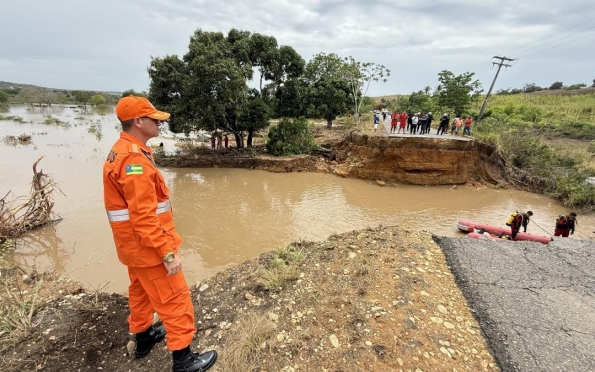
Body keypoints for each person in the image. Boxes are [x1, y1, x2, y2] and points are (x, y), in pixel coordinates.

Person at [103, 96, 217, 372]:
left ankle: (143, 339)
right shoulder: (134, 160)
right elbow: (144, 216)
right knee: (174, 299)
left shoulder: (125, 149)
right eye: (154, 119)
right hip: (149, 248)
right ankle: (184, 360)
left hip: (133, 247)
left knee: (140, 292)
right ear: (138, 122)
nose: (160, 123)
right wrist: (166, 253)